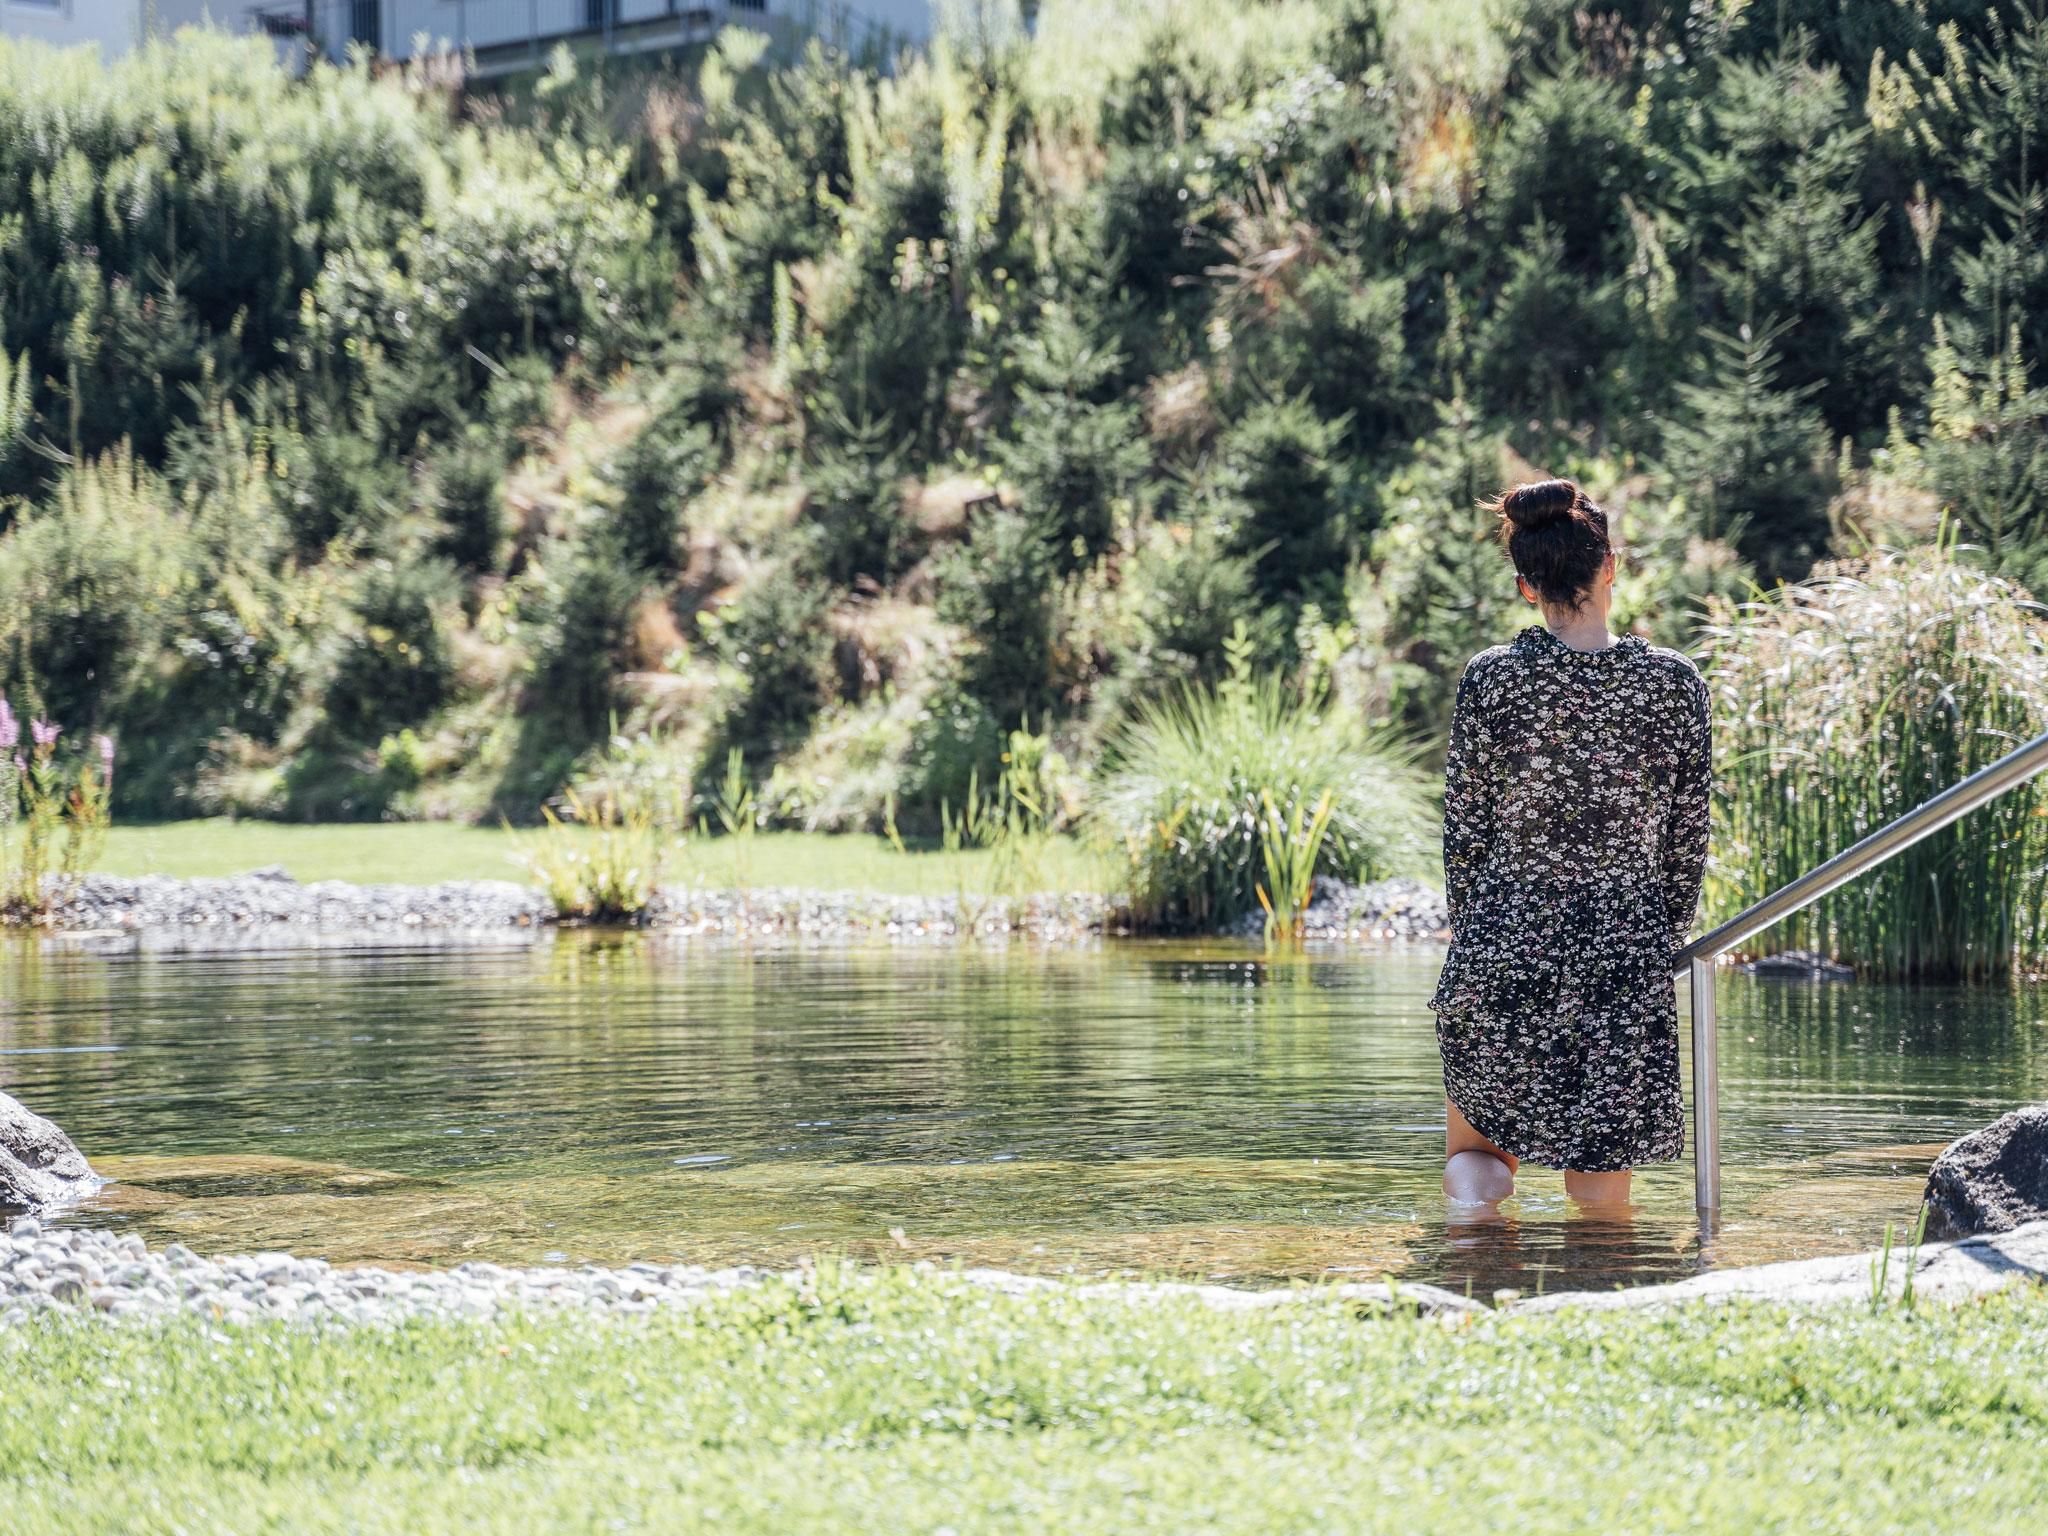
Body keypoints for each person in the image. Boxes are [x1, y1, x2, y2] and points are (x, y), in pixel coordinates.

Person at [1430, 479, 1711, 1208]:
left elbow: (1465, 829)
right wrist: (1661, 935)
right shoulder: (1674, 684)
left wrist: (1475, 930)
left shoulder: (1492, 678)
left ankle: (1472, 1267)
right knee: (1599, 1183)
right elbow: (1687, 837)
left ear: (1527, 586)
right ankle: (1605, 1276)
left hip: (1507, 933)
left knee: (1479, 1156)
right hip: (1622, 944)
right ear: (1609, 565)